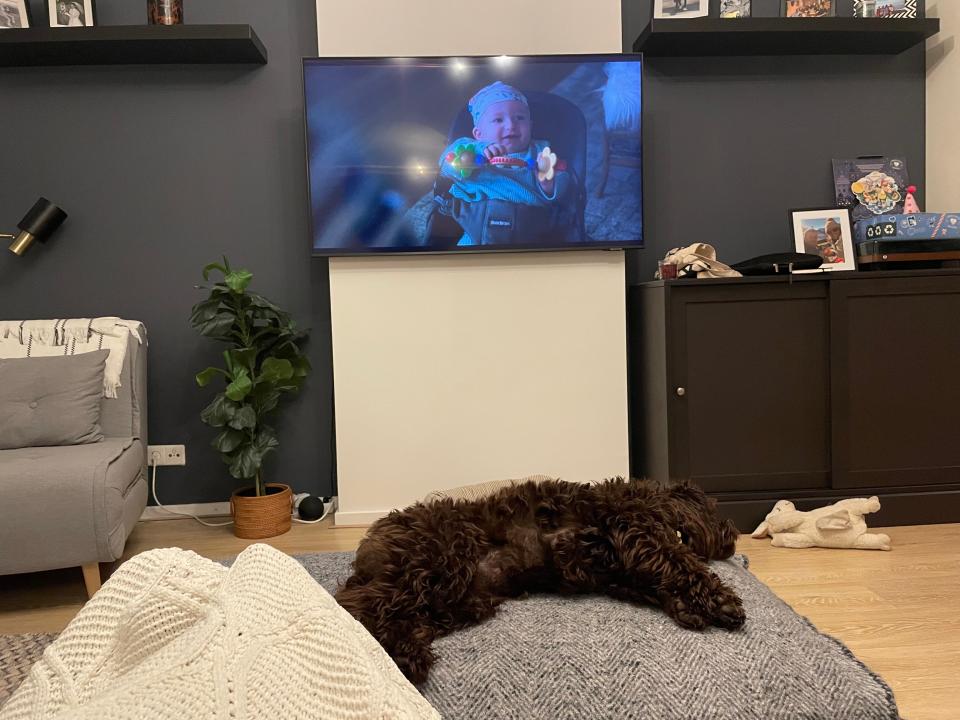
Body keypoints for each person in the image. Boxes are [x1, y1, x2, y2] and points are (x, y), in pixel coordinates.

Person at [437, 81, 575, 246]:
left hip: (529, 225)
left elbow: (563, 184)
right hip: (478, 223)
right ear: (478, 134)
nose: (511, 125)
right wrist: (475, 153)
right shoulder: (469, 148)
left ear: (530, 126)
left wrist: (549, 185)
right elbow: (446, 167)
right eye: (498, 120)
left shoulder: (540, 151)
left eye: (520, 118)